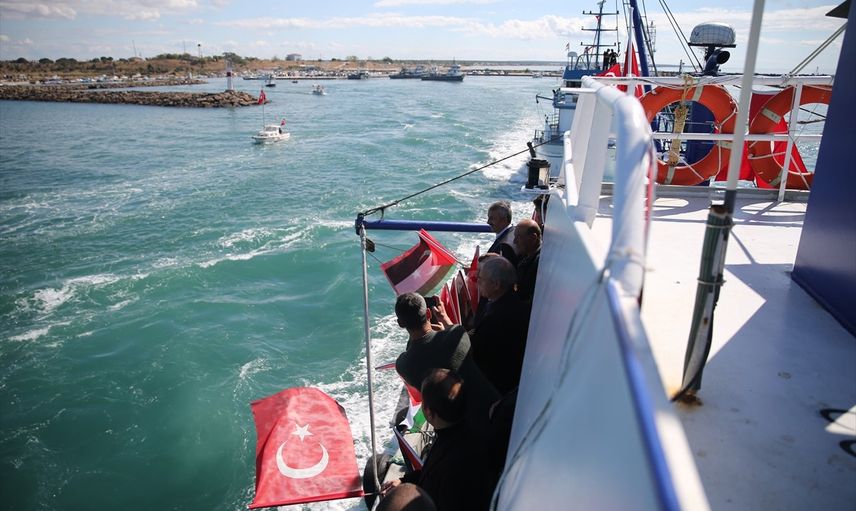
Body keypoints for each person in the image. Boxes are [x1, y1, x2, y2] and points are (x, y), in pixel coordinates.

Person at [381, 369, 491, 511]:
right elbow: (430, 475)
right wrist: (403, 481)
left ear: (429, 412)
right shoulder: (464, 433)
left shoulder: (455, 463)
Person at [394, 293, 500, 430]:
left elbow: (415, 350)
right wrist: (444, 319)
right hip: (497, 410)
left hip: (467, 430)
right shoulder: (456, 335)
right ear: (428, 313)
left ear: (400, 324)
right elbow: (455, 332)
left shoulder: (404, 365)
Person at [469, 257, 530, 394]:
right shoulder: (511, 302)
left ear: (496, 285)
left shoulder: (499, 317)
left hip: (497, 386)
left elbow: (475, 348)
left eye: (481, 279)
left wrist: (450, 330)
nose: (477, 282)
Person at [513, 219, 542, 303]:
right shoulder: (525, 255)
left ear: (533, 238)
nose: (514, 241)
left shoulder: (539, 264)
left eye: (519, 237)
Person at [486, 201, 518, 265]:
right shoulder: (513, 231)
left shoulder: (504, 247)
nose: (488, 222)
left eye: (492, 218)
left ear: (504, 220)